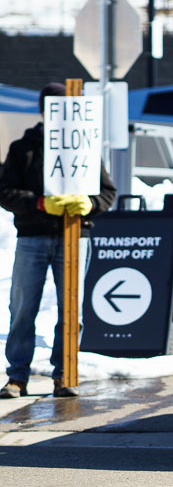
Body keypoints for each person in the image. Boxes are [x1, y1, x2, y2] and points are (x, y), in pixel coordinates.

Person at [0, 82, 116, 399]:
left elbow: (108, 193)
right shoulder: (23, 148)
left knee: (71, 310)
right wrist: (38, 203)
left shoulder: (85, 147)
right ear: (44, 110)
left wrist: (90, 204)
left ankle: (64, 375)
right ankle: (17, 377)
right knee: (22, 308)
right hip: (32, 237)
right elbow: (5, 193)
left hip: (75, 237)